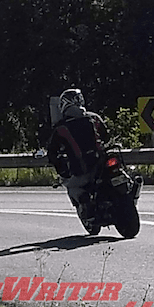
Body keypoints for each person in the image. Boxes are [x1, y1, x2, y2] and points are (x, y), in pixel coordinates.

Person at [47, 88, 109, 220]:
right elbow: (107, 136)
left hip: (84, 167)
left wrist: (61, 168)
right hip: (103, 162)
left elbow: (52, 152)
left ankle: (86, 204)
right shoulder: (94, 117)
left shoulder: (61, 127)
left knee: (71, 186)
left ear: (64, 104)